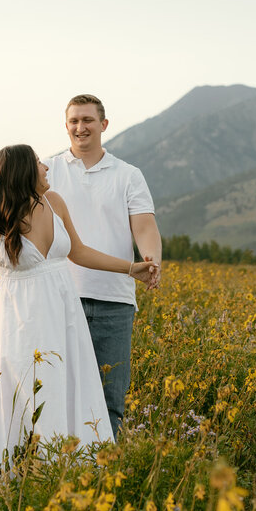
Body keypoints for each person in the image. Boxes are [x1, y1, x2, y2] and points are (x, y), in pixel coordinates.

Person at [0, 144, 157, 478]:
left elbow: (79, 252)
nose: (46, 168)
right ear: (23, 173)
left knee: (69, 385)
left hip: (63, 313)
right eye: (39, 164)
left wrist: (131, 268)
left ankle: (68, 471)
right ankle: (17, 477)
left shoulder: (54, 203)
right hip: (19, 319)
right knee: (26, 392)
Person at [46, 94, 162, 438]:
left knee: (111, 395)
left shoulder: (128, 175)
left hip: (115, 301)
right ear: (66, 126)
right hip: (61, 295)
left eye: (88, 121)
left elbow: (144, 226)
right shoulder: (46, 170)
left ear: (104, 125)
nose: (80, 128)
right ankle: (60, 466)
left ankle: (104, 469)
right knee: (58, 391)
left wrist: (151, 260)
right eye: (74, 121)